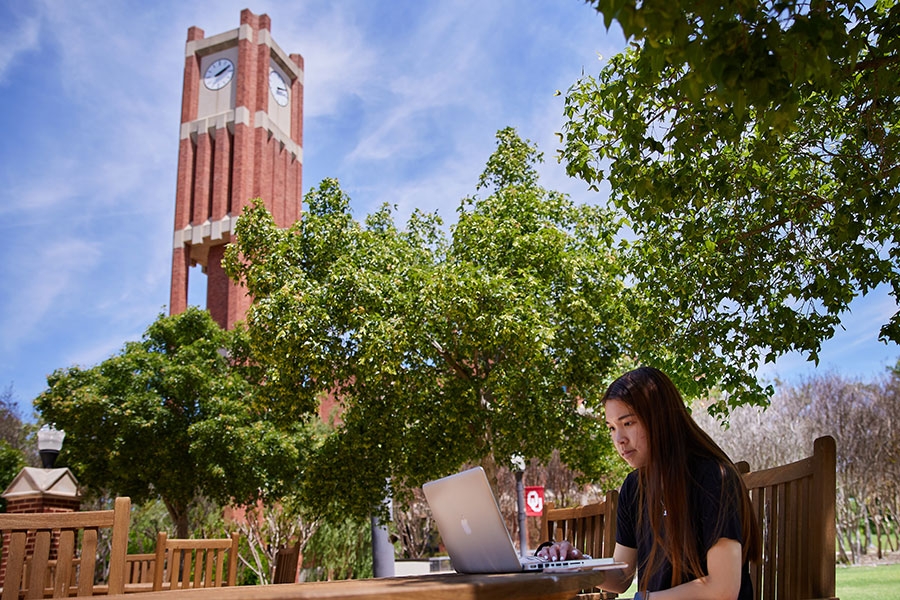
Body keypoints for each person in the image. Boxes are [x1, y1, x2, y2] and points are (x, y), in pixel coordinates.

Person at [537, 366, 760, 600]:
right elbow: (622, 577)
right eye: (612, 428)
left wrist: (644, 599)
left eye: (628, 423)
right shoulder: (634, 487)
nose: (619, 439)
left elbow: (723, 588)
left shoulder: (713, 477)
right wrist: (576, 564)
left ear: (661, 419)